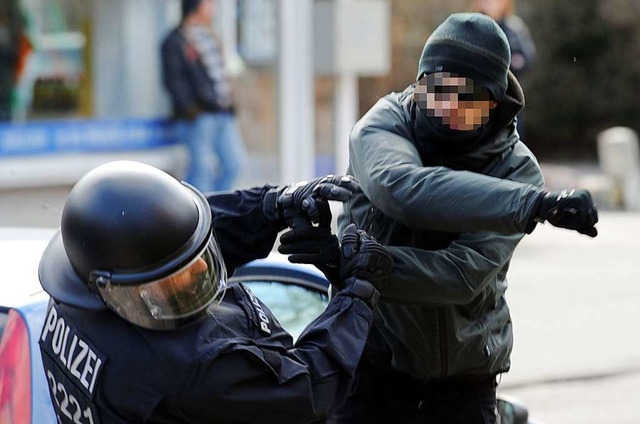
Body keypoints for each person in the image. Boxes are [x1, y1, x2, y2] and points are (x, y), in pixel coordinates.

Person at [332, 13, 598, 424]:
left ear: (494, 103)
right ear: (420, 85)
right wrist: (532, 206)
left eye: (466, 97)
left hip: (465, 376)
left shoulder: (516, 170)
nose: (446, 107)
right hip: (372, 365)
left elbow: (458, 275)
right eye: (436, 89)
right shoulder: (383, 124)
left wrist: (360, 266)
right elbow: (401, 189)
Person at [38, 160, 394, 423]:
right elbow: (309, 389)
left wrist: (270, 206)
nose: (204, 266)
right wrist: (357, 296)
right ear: (129, 294)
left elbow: (166, 241)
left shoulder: (81, 289)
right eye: (179, 272)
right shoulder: (192, 367)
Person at [161, 0, 246, 192]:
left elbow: (220, 75)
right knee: (202, 172)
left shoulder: (210, 36)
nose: (213, 7)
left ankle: (216, 209)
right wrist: (193, 110)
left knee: (234, 164)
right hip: (199, 118)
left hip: (222, 114)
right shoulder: (176, 41)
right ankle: (199, 215)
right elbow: (174, 82)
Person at [473, 0, 536, 138]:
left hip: (509, 95)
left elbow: (527, 56)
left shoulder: (514, 28)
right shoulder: (473, 26)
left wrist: (513, 62)